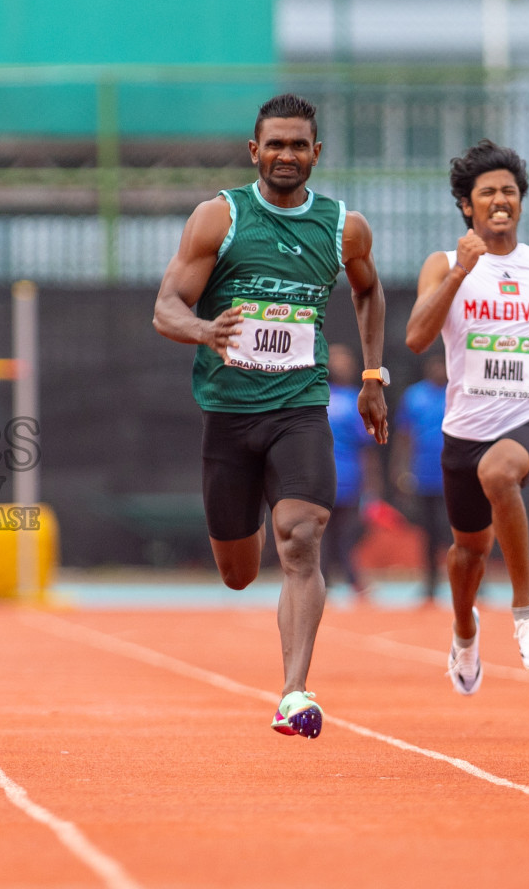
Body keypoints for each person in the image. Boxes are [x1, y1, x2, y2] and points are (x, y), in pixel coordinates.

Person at [153, 93, 389, 739]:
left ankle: (294, 691)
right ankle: (249, 527)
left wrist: (372, 374)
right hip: (230, 414)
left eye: (299, 145)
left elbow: (369, 291)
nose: (287, 155)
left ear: (317, 153)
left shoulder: (344, 228)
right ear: (254, 151)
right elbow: (165, 306)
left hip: (300, 406)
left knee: (302, 538)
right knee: (237, 572)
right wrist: (205, 331)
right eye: (275, 144)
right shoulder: (219, 218)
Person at [406, 139, 529, 696]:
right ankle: (464, 634)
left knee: (500, 473)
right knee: (467, 556)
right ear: (467, 205)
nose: (500, 200)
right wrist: (461, 271)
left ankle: (526, 615)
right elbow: (414, 338)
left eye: (509, 191)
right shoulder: (443, 263)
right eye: (488, 193)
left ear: (521, 202)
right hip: (464, 430)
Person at [394, 352, 451, 602]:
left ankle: (474, 581)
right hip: (424, 475)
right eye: (435, 364)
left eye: (443, 364)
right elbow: (404, 436)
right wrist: (401, 470)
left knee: (461, 531)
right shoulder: (414, 396)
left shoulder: (458, 393)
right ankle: (430, 584)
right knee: (429, 532)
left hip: (455, 475)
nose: (439, 369)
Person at [324, 343, 378, 598]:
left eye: (345, 359)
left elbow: (366, 448)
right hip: (328, 478)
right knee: (326, 535)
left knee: (341, 534)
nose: (342, 364)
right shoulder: (321, 397)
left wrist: (370, 486)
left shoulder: (356, 399)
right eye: (337, 359)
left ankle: (341, 579)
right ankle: (333, 579)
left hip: (346, 479)